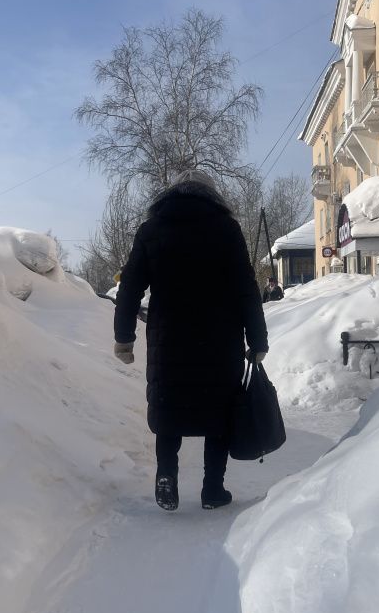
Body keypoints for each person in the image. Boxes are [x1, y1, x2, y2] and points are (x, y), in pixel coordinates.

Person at [113, 169, 268, 511]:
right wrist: (257, 340)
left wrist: (124, 337)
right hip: (220, 337)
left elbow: (129, 287)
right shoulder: (226, 229)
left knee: (170, 406)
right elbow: (246, 288)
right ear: (212, 196)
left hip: (169, 336)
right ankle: (213, 489)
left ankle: (166, 479)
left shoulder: (151, 230)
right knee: (220, 411)